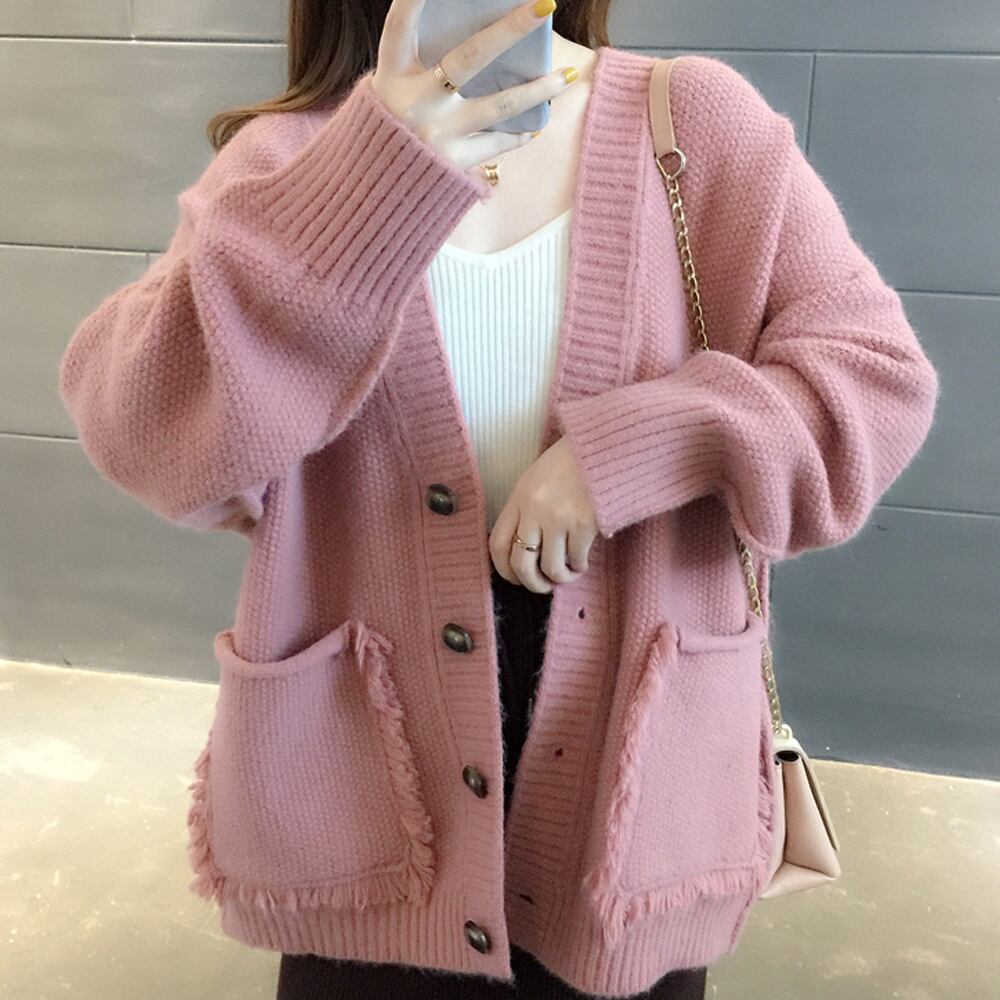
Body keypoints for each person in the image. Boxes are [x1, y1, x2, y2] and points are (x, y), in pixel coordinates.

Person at [57, 0, 940, 997]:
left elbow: (873, 383)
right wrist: (365, 186)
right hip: (367, 773)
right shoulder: (289, 159)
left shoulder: (691, 124)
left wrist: (638, 448)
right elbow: (143, 431)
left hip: (635, 773)